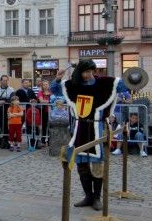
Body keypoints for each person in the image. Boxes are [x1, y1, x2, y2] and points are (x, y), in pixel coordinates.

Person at [50, 59, 120, 211]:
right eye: (84, 72)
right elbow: (55, 90)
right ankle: (88, 196)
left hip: (97, 127)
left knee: (97, 165)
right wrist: (58, 78)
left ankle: (97, 198)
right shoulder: (74, 85)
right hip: (80, 128)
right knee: (81, 165)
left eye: (89, 71)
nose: (87, 75)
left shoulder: (104, 83)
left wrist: (134, 78)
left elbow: (123, 84)